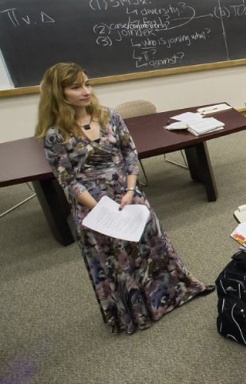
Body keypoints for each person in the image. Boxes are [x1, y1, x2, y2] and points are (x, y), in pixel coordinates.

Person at [35, 62, 212, 334]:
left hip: (127, 192)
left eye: (87, 83)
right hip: (93, 206)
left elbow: (130, 153)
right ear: (58, 92)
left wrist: (130, 191)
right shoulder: (55, 134)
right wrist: (104, 209)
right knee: (118, 260)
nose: (85, 91)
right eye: (75, 87)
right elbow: (67, 180)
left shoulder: (109, 116)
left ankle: (175, 293)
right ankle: (137, 313)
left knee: (153, 245)